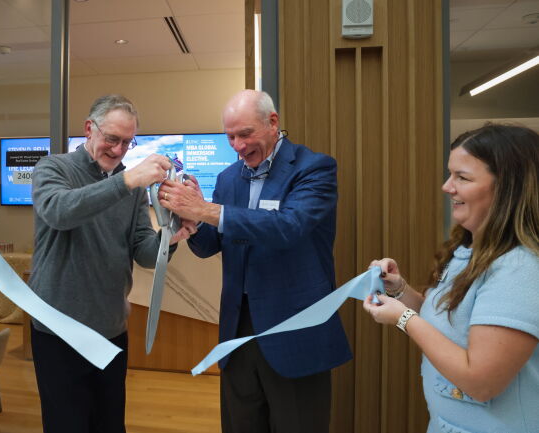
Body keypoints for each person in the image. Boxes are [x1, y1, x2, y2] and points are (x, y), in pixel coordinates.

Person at [158, 89, 351, 433]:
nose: (237, 145)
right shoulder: (228, 178)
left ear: (272, 123)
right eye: (230, 136)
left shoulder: (313, 169)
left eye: (245, 134)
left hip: (293, 330)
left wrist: (205, 210)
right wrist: (192, 222)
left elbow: (288, 227)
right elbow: (208, 247)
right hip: (238, 331)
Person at [29, 94, 195, 433]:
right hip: (60, 330)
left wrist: (172, 236)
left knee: (108, 424)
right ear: (89, 129)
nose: (119, 150)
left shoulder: (130, 188)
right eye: (112, 139)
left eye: (126, 142)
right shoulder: (54, 168)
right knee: (67, 425)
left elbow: (144, 253)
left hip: (111, 328)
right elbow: (60, 212)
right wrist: (128, 180)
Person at [363, 124, 539, 432]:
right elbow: (449, 328)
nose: (447, 187)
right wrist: (401, 291)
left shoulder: (521, 268)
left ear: (506, 188)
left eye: (462, 177)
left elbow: (482, 382)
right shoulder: (467, 250)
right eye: (450, 174)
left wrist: (403, 318)